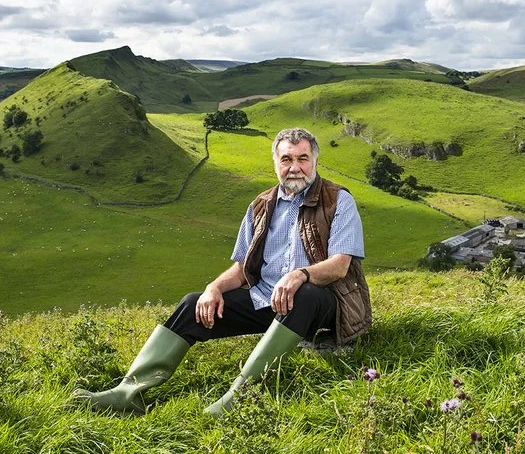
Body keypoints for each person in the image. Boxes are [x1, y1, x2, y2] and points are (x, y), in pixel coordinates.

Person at [74, 127, 371, 417]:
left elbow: (340, 264)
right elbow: (242, 267)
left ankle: (240, 396)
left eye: (302, 159)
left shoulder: (338, 200)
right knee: (193, 303)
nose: (295, 167)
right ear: (276, 163)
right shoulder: (260, 205)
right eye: (286, 159)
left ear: (315, 161)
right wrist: (213, 288)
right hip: (268, 302)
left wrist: (300, 275)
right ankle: (129, 392)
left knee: (304, 293)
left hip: (323, 302)